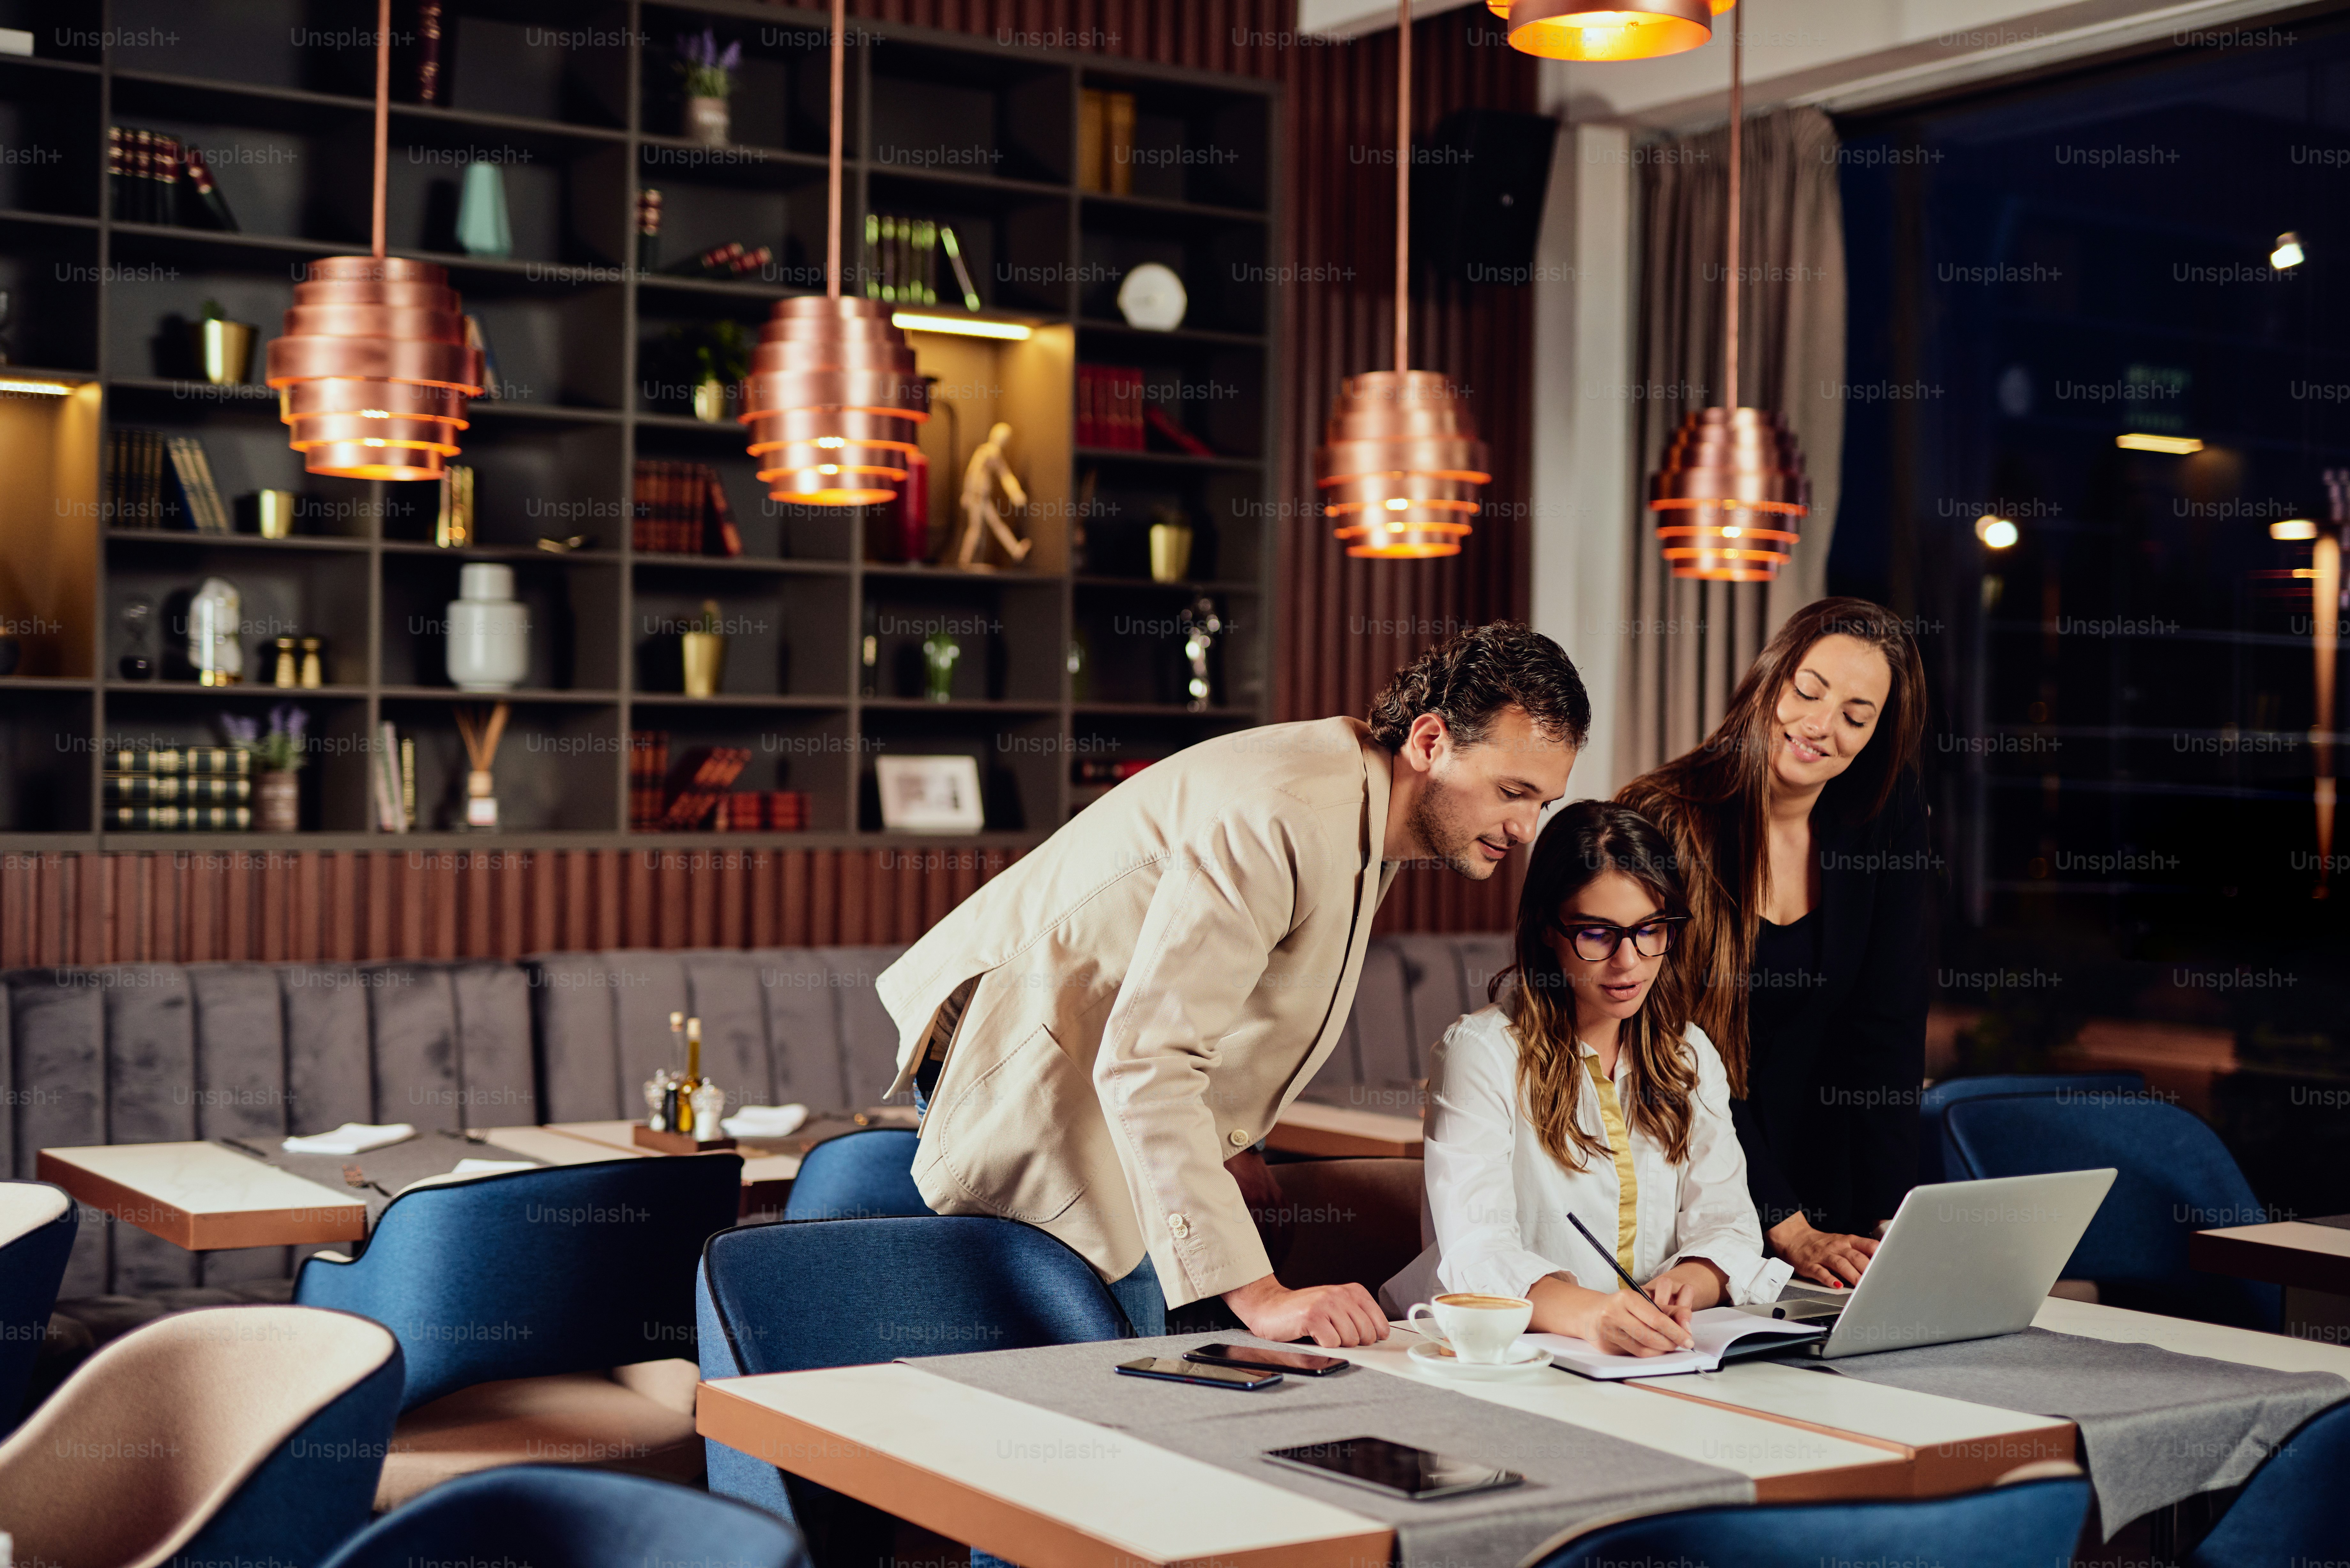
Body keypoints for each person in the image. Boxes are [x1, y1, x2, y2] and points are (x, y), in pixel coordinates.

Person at [876, 624, 1589, 1345]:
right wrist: (1262, 1294)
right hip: (1029, 1065)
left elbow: (1211, 991)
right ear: (1431, 741)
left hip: (1102, 1069)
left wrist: (1225, 1141)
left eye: (1544, 803)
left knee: (1152, 1365)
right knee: (1127, 1373)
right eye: (1513, 791)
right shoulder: (1288, 814)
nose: (1526, 828)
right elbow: (1146, 1058)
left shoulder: (1364, 806)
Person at [1384, 800, 1793, 1354]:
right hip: (1501, 1356)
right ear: (1548, 930)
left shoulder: (1689, 1054)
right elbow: (1479, 1255)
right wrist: (1598, 1316)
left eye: (1650, 929)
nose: (1629, 962)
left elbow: (1728, 1226)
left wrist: (1678, 1290)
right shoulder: (1480, 1054)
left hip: (1650, 1354)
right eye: (1598, 934)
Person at [1618, 598, 1930, 1288]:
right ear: (1769, 680)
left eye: (1855, 716)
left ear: (1876, 735)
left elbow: (1889, 1030)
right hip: (1697, 1181)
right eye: (1807, 691)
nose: (1820, 726)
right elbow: (1666, 1045)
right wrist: (1783, 1223)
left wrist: (1888, 1221)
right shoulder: (1662, 819)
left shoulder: (1882, 824)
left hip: (1830, 1188)